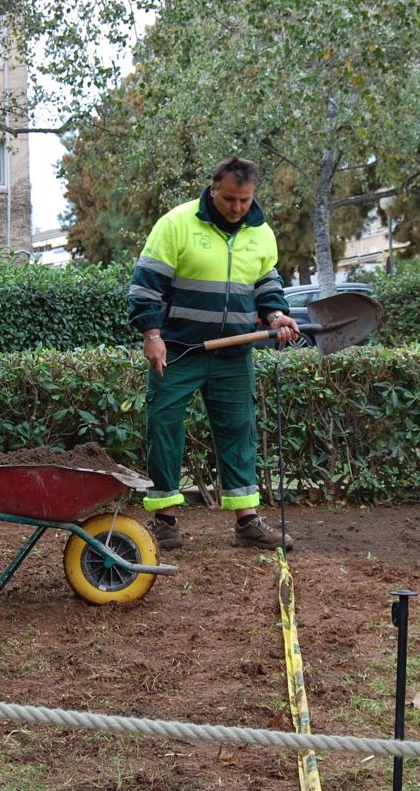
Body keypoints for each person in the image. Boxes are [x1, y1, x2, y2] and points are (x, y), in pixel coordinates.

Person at [129, 157, 301, 551]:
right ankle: (166, 521)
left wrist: (276, 315)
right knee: (164, 426)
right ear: (213, 190)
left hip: (234, 352)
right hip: (178, 349)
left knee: (238, 430)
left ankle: (246, 522)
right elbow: (146, 285)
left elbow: (266, 283)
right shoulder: (176, 224)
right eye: (229, 199)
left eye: (244, 200)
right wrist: (151, 333)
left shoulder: (261, 232)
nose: (238, 207)